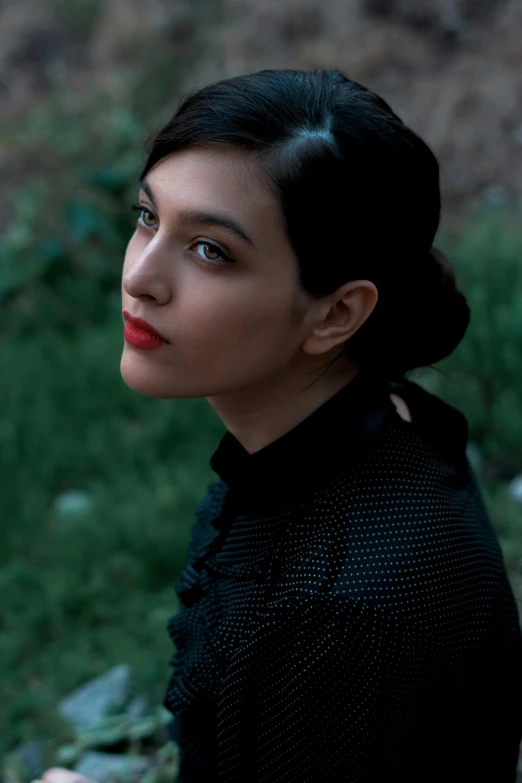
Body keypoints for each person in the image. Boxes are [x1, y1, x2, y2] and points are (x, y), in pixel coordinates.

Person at [37, 68, 522, 783]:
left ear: (336, 313)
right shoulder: (372, 425)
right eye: (148, 217)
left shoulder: (336, 614)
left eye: (211, 250)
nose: (141, 275)